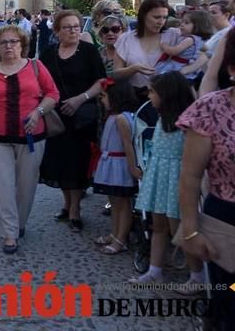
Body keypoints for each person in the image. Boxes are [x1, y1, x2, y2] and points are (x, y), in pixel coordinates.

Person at [0, 25, 59, 253]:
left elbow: (53, 94)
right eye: (3, 42)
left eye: (13, 42)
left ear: (22, 45)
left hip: (32, 137)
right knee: (3, 186)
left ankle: (20, 223)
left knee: (26, 186)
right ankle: (9, 232)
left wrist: (38, 112)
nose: (9, 46)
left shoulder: (37, 67)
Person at [177, 32, 235, 328]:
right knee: (230, 302)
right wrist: (190, 231)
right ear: (232, 69)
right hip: (227, 223)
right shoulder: (210, 108)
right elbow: (190, 176)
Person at [127, 72, 204, 291]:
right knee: (157, 225)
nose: (149, 95)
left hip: (177, 179)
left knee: (180, 228)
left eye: (152, 92)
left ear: (167, 94)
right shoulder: (162, 118)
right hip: (160, 175)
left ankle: (197, 277)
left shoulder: (187, 122)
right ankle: (154, 271)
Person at [39, 10, 106, 232]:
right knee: (60, 162)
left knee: (78, 162)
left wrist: (81, 98)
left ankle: (76, 210)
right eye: (67, 27)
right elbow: (40, 82)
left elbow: (101, 81)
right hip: (56, 116)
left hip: (81, 115)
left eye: (77, 26)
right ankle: (66, 205)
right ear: (57, 31)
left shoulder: (88, 51)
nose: (73, 30)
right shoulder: (48, 53)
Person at [91, 79, 140, 254]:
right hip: (110, 162)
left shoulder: (121, 118)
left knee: (122, 203)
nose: (102, 100)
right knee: (114, 201)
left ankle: (121, 238)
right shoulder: (113, 116)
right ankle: (115, 233)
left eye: (104, 96)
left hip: (119, 164)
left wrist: (133, 167)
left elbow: (128, 145)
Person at [113, 0, 181, 102]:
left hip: (168, 98)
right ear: (144, 15)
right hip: (136, 98)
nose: (161, 22)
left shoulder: (174, 35)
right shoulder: (126, 39)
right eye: (156, 17)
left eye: (164, 17)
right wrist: (133, 69)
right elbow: (116, 74)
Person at [157, 9, 212, 79]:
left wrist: (164, 45)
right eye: (182, 22)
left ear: (197, 26)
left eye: (186, 23)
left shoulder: (189, 39)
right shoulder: (199, 39)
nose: (182, 24)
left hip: (179, 66)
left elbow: (174, 51)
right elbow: (207, 50)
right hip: (189, 67)